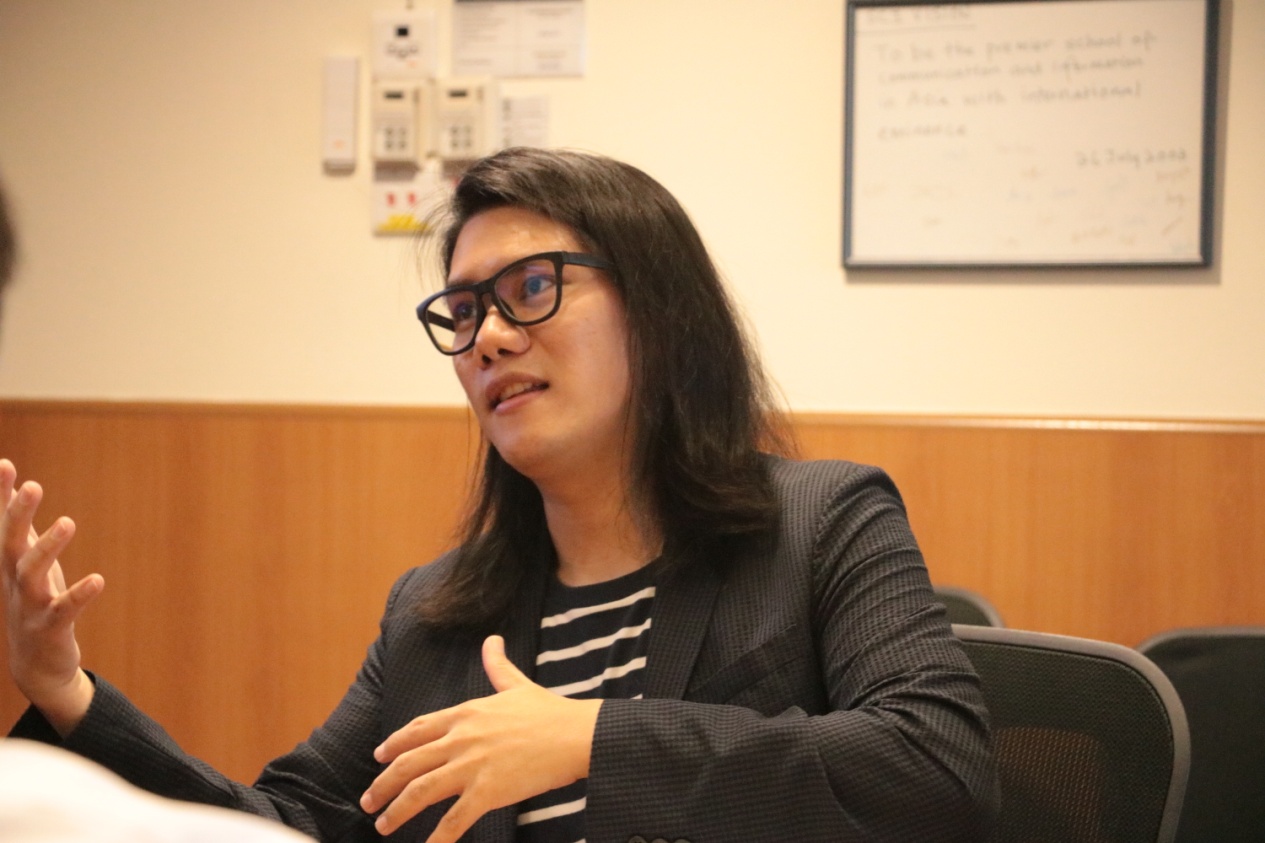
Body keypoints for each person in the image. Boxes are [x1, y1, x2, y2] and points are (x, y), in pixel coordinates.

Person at [3, 148, 997, 842]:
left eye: (530, 289)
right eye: (464, 309)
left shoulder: (822, 525)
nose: (486, 338)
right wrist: (67, 691)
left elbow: (936, 769)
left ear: (659, 311)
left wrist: (591, 739)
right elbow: (294, 827)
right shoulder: (434, 616)